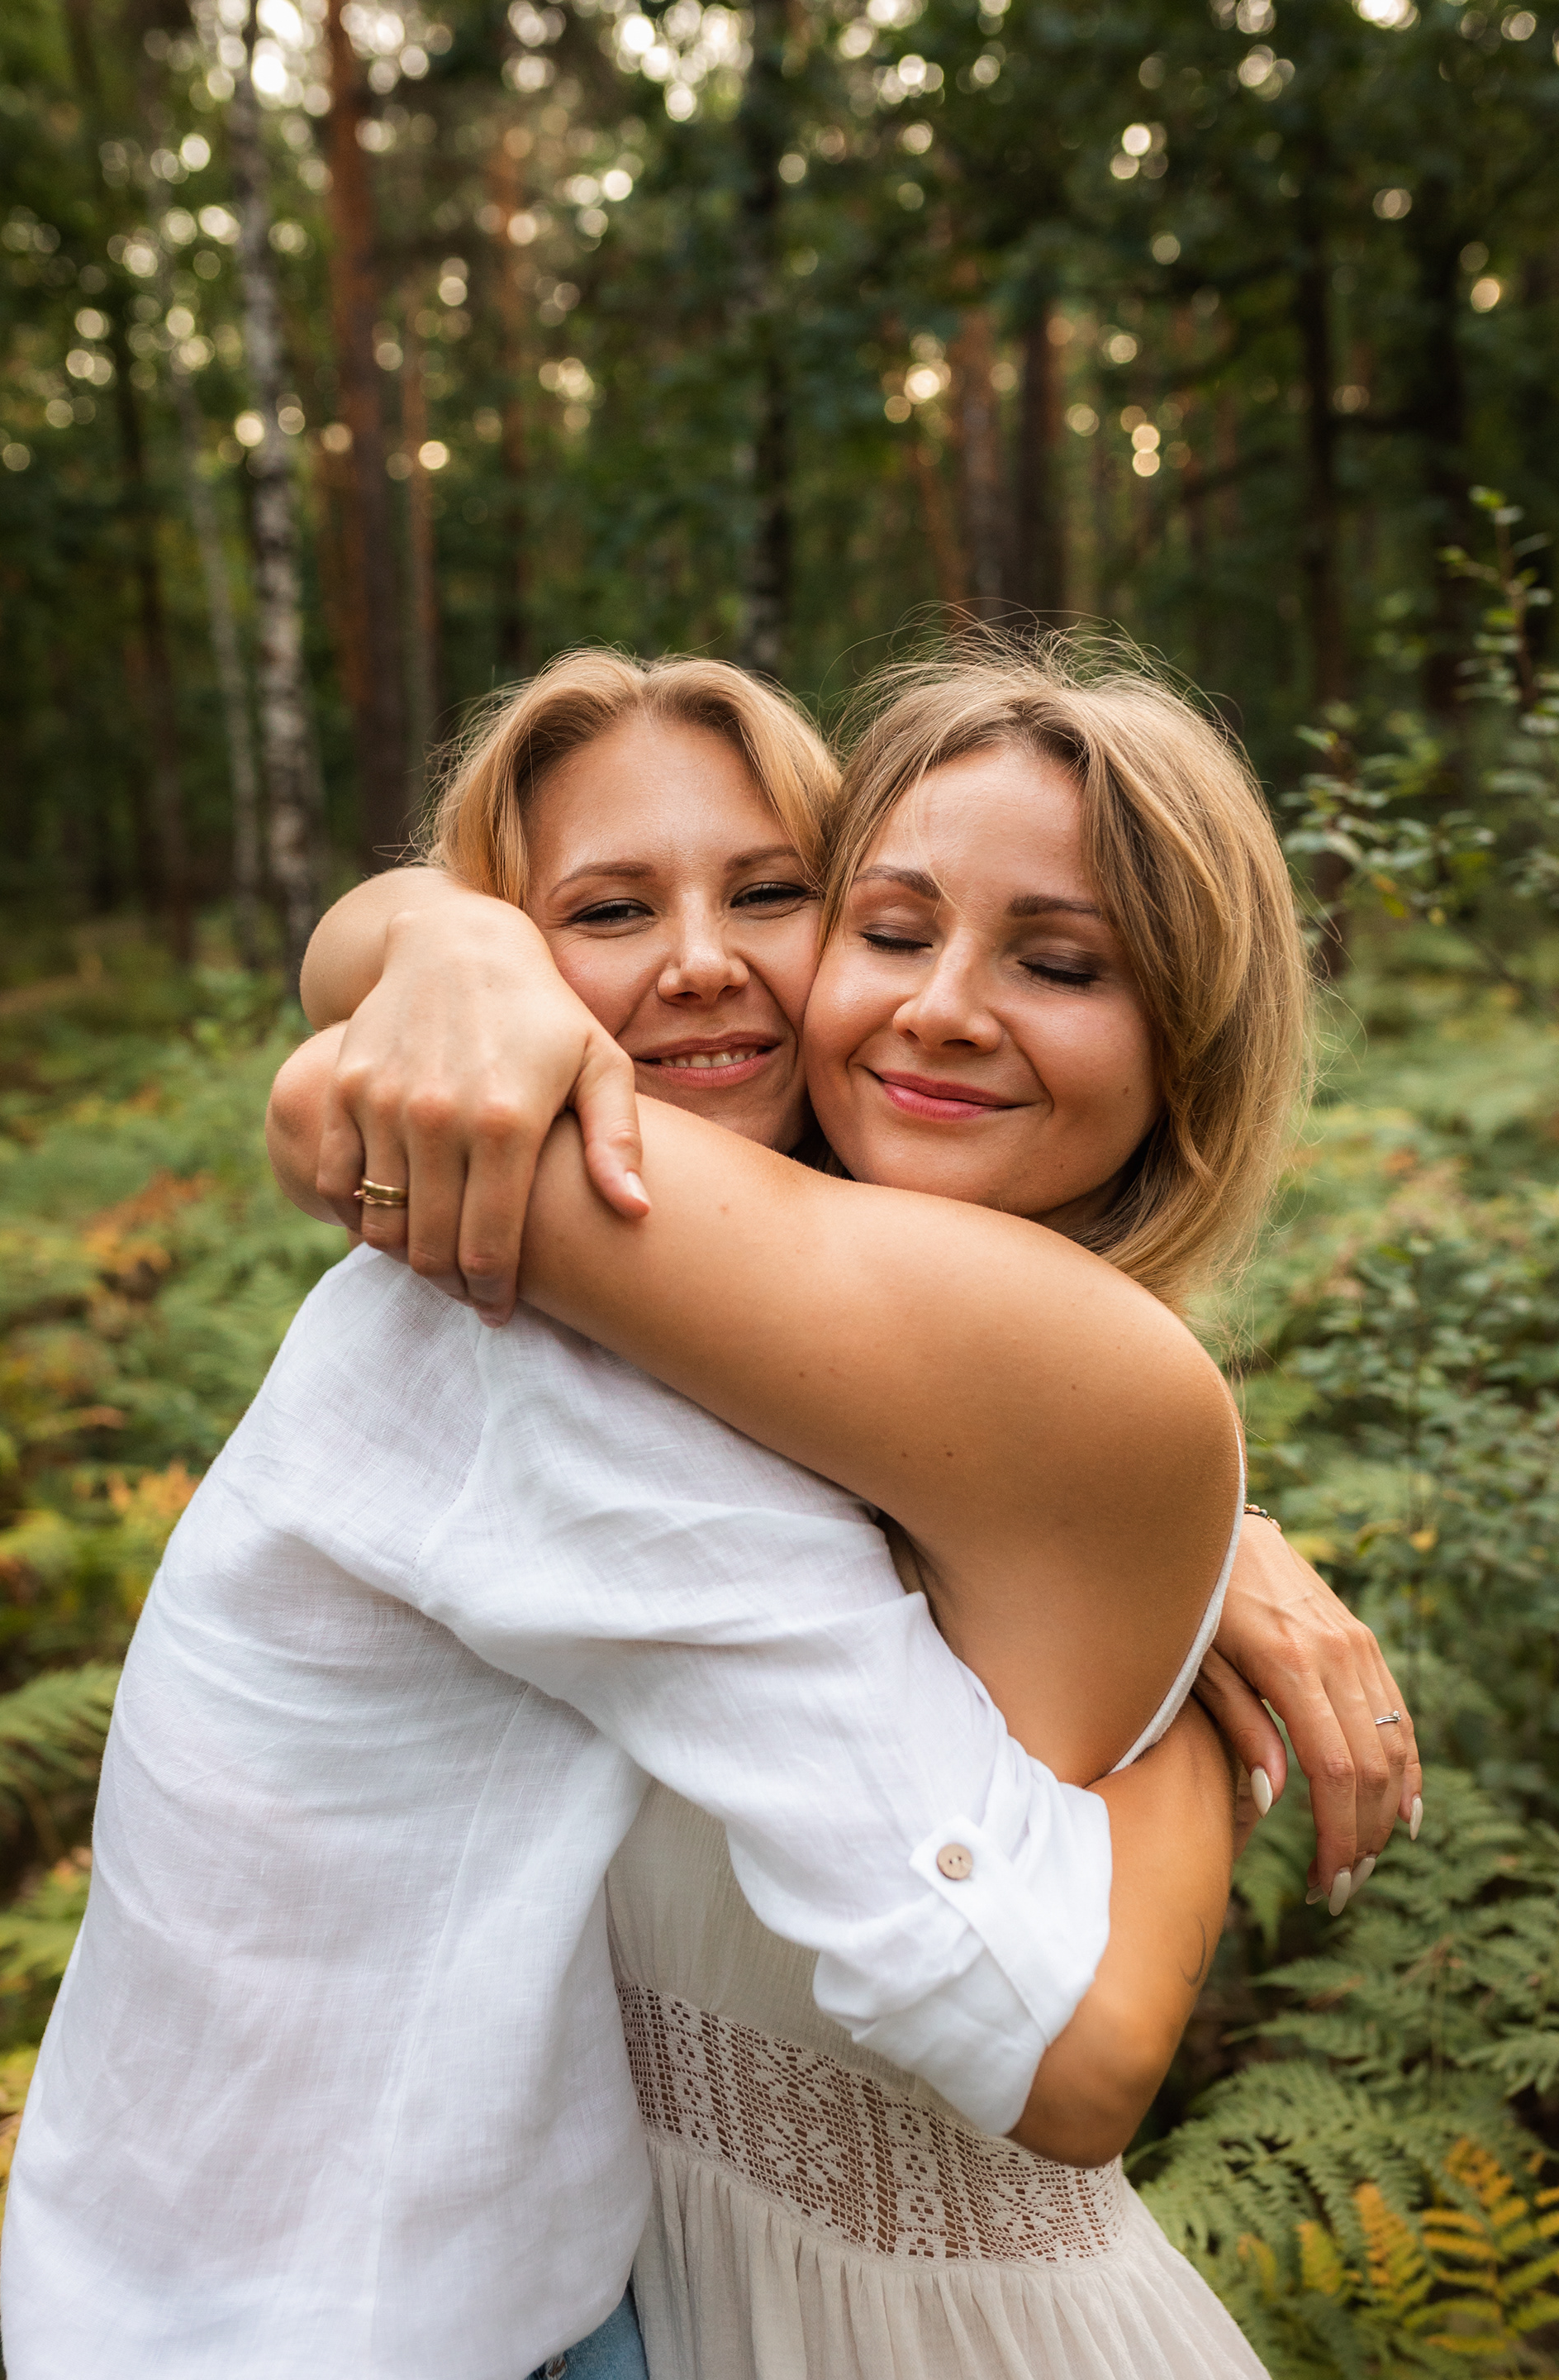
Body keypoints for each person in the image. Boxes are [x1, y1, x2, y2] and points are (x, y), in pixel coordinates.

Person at [3, 653, 1252, 2380]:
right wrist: (1203, 1687)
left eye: (775, 894)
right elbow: (327, 1106)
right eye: (601, 911)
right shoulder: (546, 1330)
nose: (704, 962)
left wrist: (1205, 1592)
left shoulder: (713, 1333)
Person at [267, 641, 1423, 2374]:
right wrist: (451, 939)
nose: (941, 1008)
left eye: (1061, 963)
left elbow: (329, 1109)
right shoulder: (724, 1340)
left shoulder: (1090, 1389)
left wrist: (444, 950)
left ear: (1190, 1050)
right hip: (651, 2289)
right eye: (888, 930)